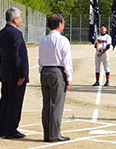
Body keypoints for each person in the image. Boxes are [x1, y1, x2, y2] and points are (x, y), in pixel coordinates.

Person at [38, 14, 72, 142]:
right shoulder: (63, 40)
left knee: (46, 104)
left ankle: (47, 134)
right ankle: (54, 134)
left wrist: (41, 71)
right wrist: (69, 77)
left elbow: (40, 59)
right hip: (57, 71)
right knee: (56, 104)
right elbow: (66, 61)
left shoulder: (43, 40)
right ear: (59, 24)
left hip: (45, 71)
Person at [0, 7, 28, 139]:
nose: (20, 20)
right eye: (20, 18)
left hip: (5, 72)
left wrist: (1, 71)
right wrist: (22, 74)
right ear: (15, 19)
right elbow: (18, 55)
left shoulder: (2, 33)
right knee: (15, 102)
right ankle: (10, 129)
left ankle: (2, 127)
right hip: (15, 74)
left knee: (5, 100)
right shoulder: (16, 34)